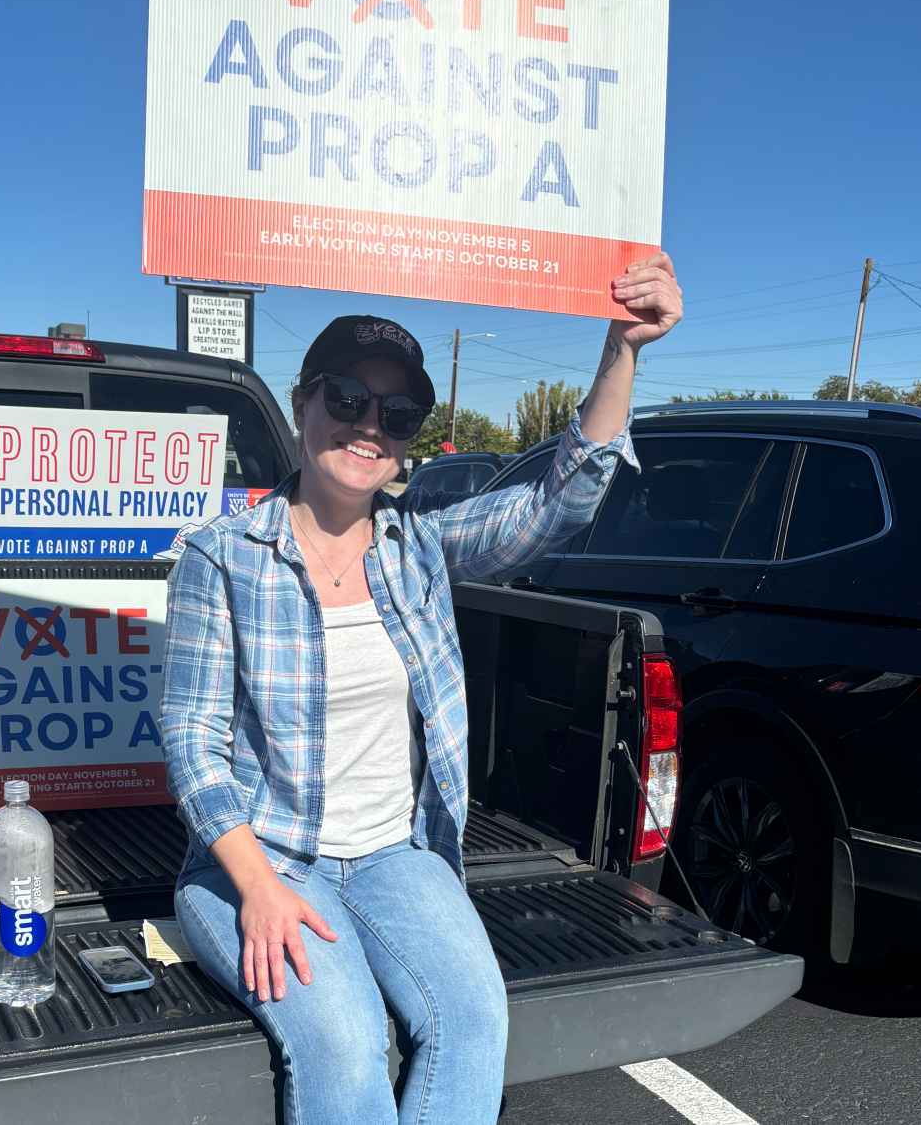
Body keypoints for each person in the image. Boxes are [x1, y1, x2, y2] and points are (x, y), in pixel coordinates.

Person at [161, 255, 684, 1124]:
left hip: (396, 855)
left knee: (475, 1018)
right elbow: (192, 743)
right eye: (349, 399)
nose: (372, 426)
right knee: (345, 1040)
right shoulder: (221, 558)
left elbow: (559, 501)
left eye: (399, 412)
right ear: (302, 402)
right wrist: (256, 887)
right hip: (263, 859)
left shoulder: (422, 549)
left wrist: (621, 350)